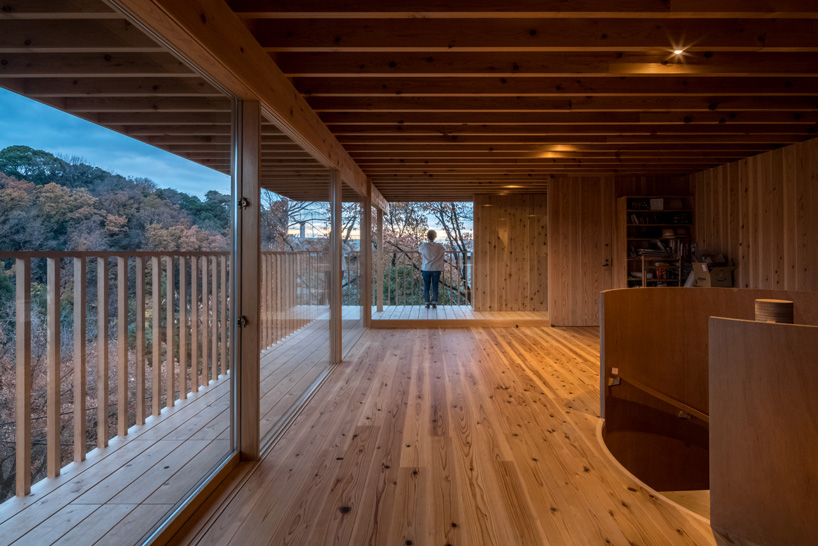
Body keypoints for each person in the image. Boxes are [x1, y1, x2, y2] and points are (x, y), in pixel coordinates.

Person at [418, 230, 445, 309]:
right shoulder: (439, 246)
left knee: (427, 286)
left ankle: (427, 303)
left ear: (427, 236)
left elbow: (419, 250)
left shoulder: (424, 246)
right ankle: (434, 303)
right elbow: (444, 250)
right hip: (436, 268)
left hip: (426, 268)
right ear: (435, 236)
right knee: (435, 286)